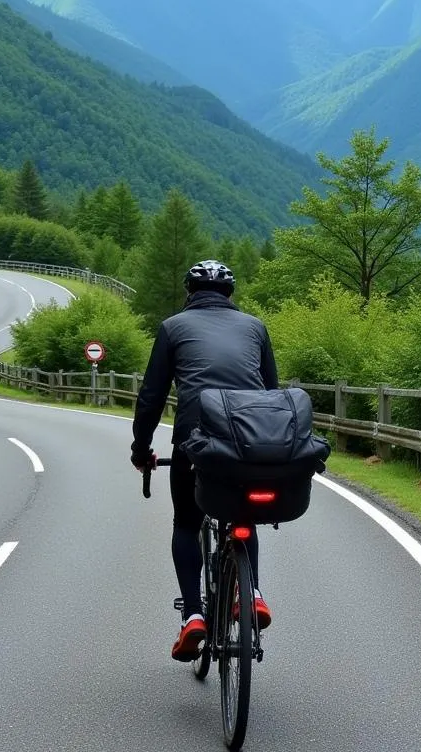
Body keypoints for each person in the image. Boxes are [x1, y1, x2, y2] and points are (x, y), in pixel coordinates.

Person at [131, 259, 278, 662]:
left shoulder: (173, 327)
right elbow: (272, 392)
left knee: (186, 522)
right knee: (243, 517)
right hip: (251, 443)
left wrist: (140, 450)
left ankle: (193, 615)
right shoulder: (255, 327)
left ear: (189, 294)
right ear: (230, 295)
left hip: (196, 444)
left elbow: (151, 397)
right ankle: (252, 592)